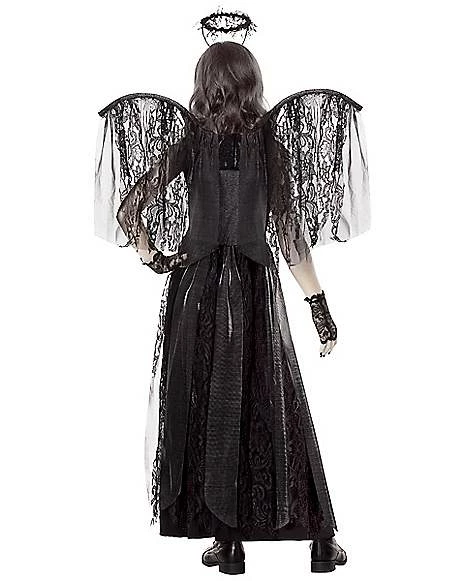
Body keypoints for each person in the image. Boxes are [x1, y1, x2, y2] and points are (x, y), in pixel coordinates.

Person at [94, 11, 370, 576]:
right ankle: (321, 541)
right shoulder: (270, 145)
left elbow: (130, 206)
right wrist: (319, 310)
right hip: (253, 290)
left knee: (207, 406)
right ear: (252, 83)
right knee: (277, 404)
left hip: (195, 290)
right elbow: (291, 236)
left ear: (203, 84)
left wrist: (151, 254)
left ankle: (229, 543)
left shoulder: (188, 142)